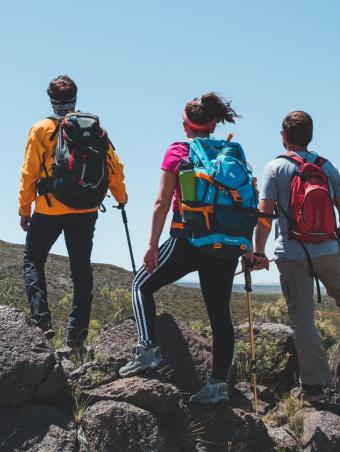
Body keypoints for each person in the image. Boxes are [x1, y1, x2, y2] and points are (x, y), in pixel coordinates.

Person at [244, 110, 340, 402]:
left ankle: (315, 386)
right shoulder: (327, 167)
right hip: (328, 248)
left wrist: (259, 251)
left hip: (291, 253)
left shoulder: (275, 168)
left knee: (302, 317)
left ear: (283, 136)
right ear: (310, 136)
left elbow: (265, 215)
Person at [119, 93, 241, 406]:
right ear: (213, 124)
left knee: (140, 286)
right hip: (225, 243)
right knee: (219, 315)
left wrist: (151, 244)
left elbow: (162, 201)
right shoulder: (231, 152)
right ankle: (217, 387)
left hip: (187, 238)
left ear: (186, 124)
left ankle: (148, 350)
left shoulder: (178, 150)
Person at [18, 75, 128, 353]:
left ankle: (42, 322)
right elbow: (114, 166)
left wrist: (24, 209)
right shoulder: (95, 129)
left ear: (52, 101)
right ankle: (76, 337)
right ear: (75, 99)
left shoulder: (41, 129)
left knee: (33, 259)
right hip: (85, 210)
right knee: (81, 269)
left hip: (49, 208)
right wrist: (121, 197)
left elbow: (29, 173)